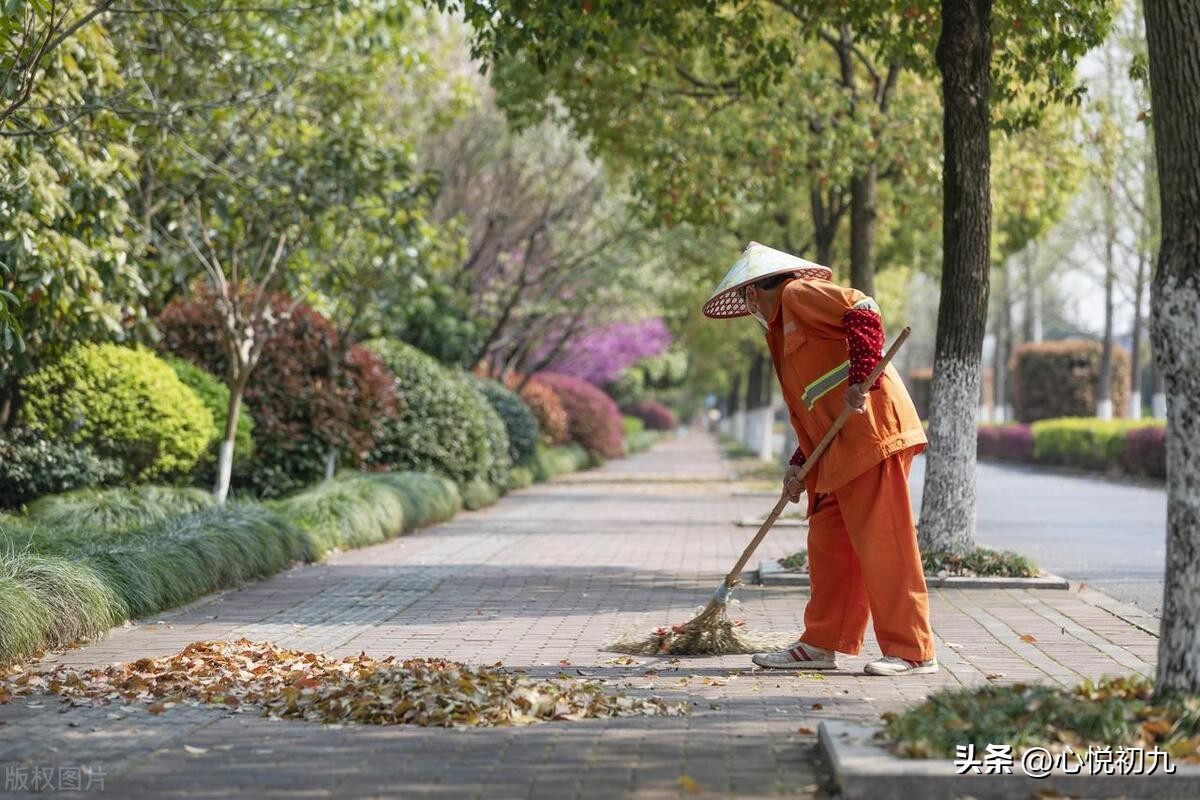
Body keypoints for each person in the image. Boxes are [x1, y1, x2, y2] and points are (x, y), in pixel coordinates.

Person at [703, 241, 937, 676]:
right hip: (834, 451)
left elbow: (862, 307)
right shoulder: (779, 331)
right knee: (829, 546)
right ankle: (821, 643)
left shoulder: (797, 295)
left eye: (750, 296)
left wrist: (865, 371)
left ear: (757, 290)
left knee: (885, 543)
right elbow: (812, 404)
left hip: (871, 434)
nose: (751, 305)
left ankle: (913, 650)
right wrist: (798, 461)